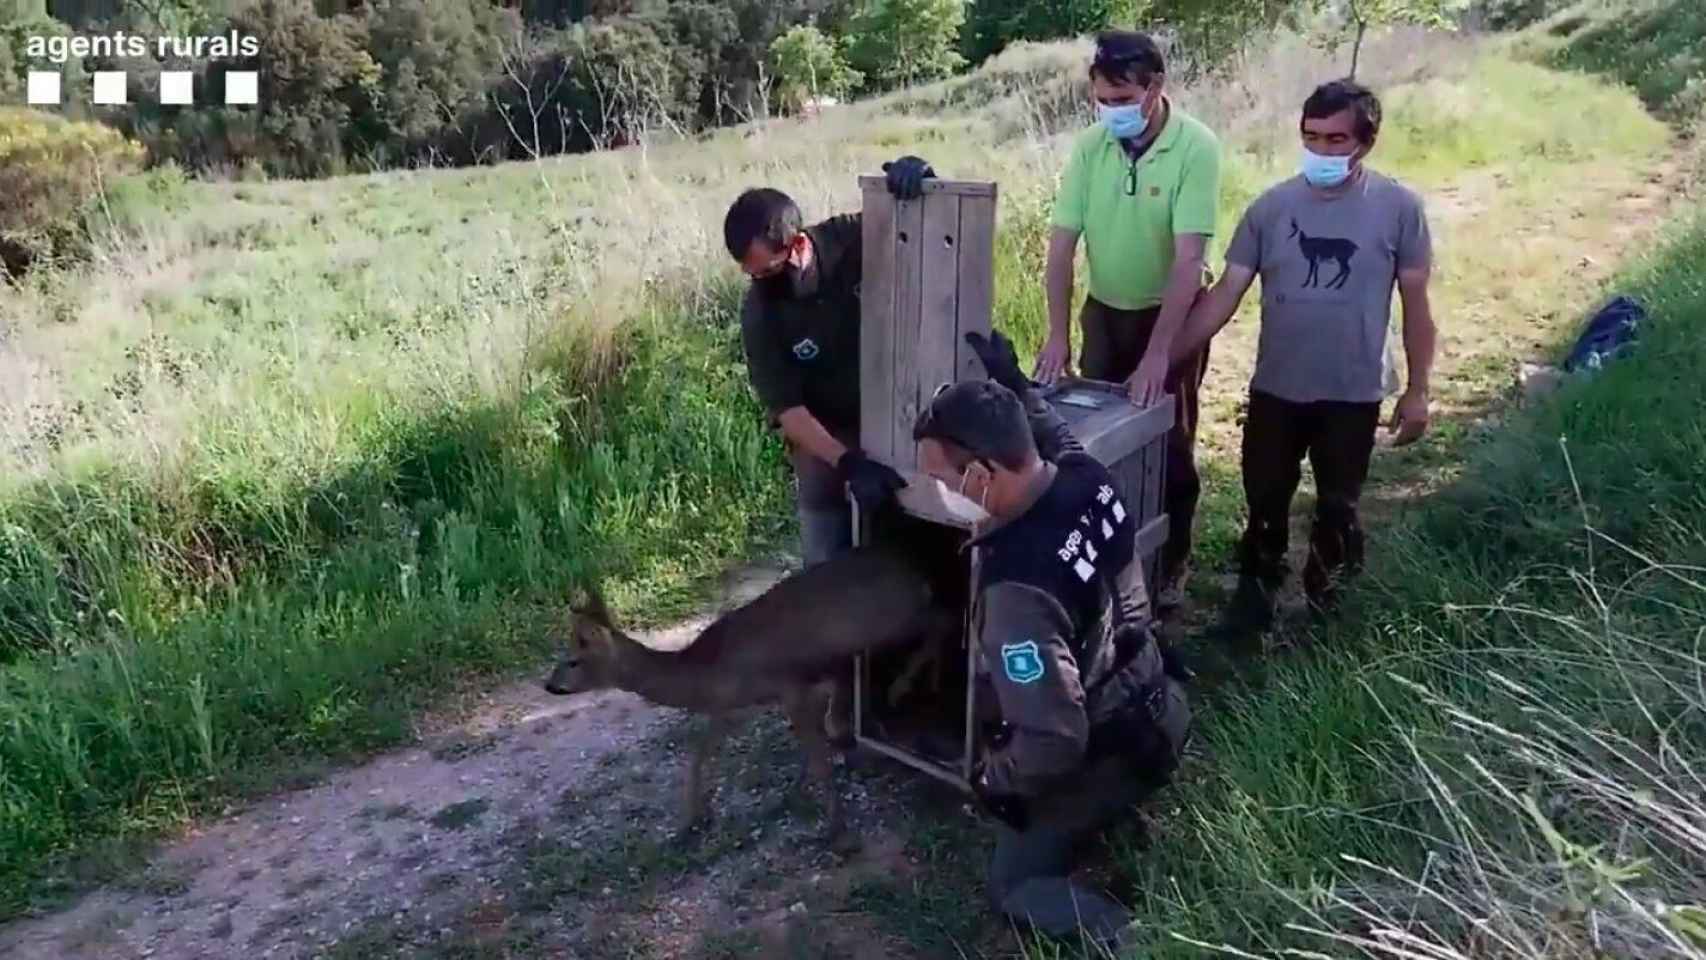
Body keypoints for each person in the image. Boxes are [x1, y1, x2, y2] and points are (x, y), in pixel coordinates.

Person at [912, 329, 1192, 952]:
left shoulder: (1015, 591)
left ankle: (1140, 940)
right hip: (1162, 701)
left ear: (982, 475)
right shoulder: (1084, 475)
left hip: (1113, 746)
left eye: (941, 479)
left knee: (1013, 882)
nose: (938, 492)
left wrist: (995, 780)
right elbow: (1055, 435)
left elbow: (1056, 738)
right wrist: (1016, 388)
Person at [1170, 78, 1437, 634]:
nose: (1321, 151)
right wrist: (1166, 358)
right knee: (1264, 498)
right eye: (1311, 137)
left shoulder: (1399, 210)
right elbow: (1224, 294)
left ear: (1366, 141)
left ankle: (1327, 609)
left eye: (1335, 140)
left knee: (1338, 507)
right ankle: (1253, 600)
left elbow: (1416, 304)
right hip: (1278, 388)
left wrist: (1417, 389)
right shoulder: (1270, 210)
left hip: (1353, 390)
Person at [1035, 29, 1224, 616]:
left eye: (1122, 98)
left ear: (1154, 88)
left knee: (1170, 437)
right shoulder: (1091, 148)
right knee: (1095, 440)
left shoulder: (1196, 147)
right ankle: (1109, 564)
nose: (1111, 110)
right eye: (1102, 99)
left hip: (1170, 314)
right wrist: (1058, 333)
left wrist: (1159, 355)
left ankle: (1172, 561)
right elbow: (1063, 247)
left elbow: (1189, 260)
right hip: (1106, 311)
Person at [722, 156, 936, 568]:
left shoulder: (850, 237)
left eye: (768, 270)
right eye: (752, 274)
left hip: (895, 408)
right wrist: (848, 460)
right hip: (824, 430)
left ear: (797, 244)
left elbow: (921, 223)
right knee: (824, 537)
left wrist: (922, 180)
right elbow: (788, 410)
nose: (761, 282)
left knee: (911, 531)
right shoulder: (760, 313)